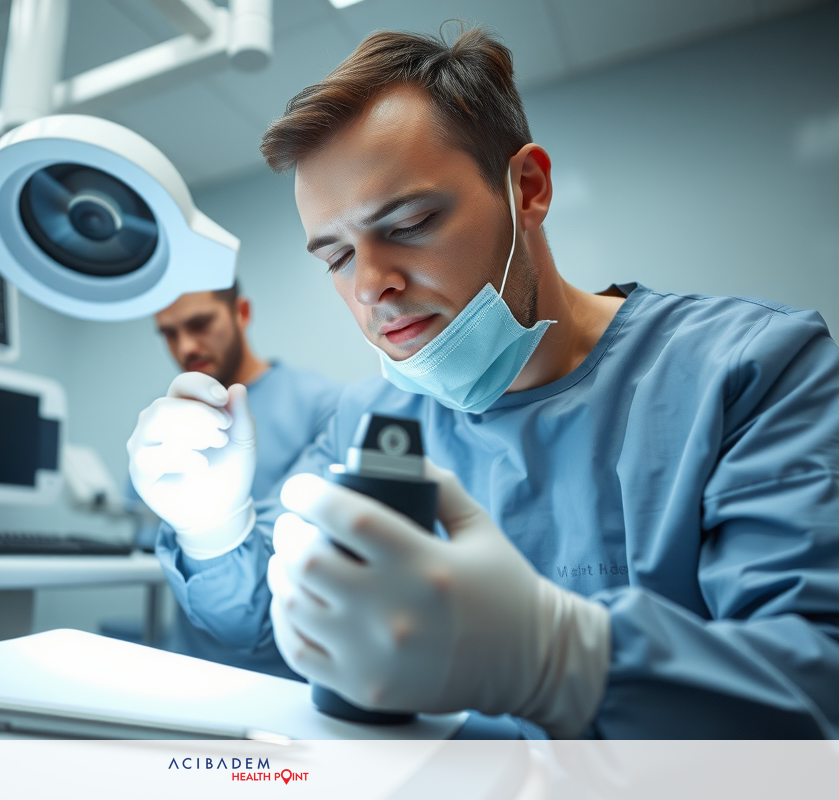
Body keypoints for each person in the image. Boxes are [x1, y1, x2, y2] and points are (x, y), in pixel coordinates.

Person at [127, 28, 839, 738]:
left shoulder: (747, 370)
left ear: (527, 189)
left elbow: (815, 687)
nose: (371, 285)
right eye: (337, 257)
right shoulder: (371, 419)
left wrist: (561, 660)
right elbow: (266, 626)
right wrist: (214, 528)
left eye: (409, 223)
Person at [130, 283, 341, 678]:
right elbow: (143, 532)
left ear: (241, 313)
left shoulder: (323, 406)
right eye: (169, 333)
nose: (186, 346)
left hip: (280, 672)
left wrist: (219, 528)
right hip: (188, 663)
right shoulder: (169, 420)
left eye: (200, 324)